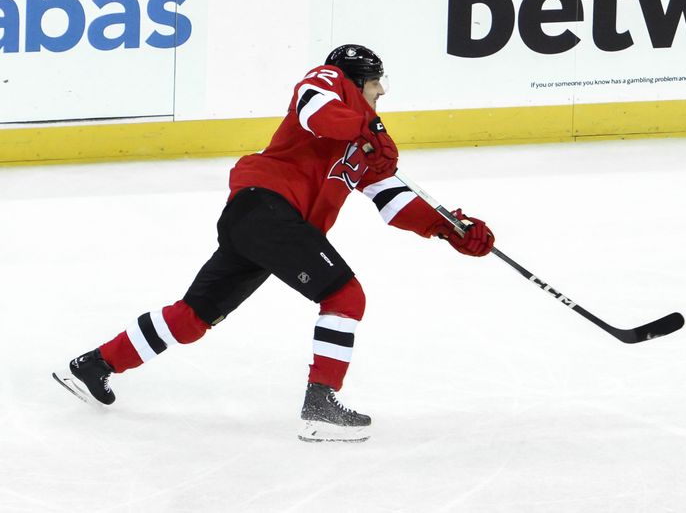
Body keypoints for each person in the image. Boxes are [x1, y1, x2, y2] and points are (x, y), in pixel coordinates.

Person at [52, 44, 495, 442]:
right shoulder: (328, 82)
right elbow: (314, 113)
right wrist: (366, 123)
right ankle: (321, 405)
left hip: (269, 227)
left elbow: (393, 201)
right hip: (265, 209)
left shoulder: (366, 146)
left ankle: (95, 364)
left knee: (192, 318)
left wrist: (449, 228)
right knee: (345, 294)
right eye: (377, 82)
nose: (382, 91)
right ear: (358, 80)